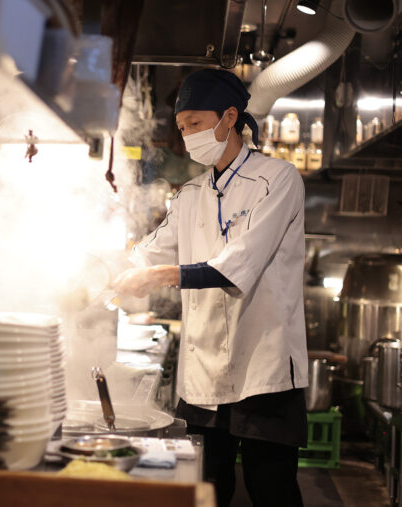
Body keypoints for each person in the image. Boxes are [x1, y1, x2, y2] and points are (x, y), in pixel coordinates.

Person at [113, 69, 307, 507]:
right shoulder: (191, 194)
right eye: (182, 128)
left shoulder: (278, 180)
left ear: (230, 117)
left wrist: (161, 276)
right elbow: (149, 251)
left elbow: (238, 263)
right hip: (203, 369)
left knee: (271, 489)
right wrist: (99, 268)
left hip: (265, 366)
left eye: (196, 124)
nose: (187, 137)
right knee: (205, 490)